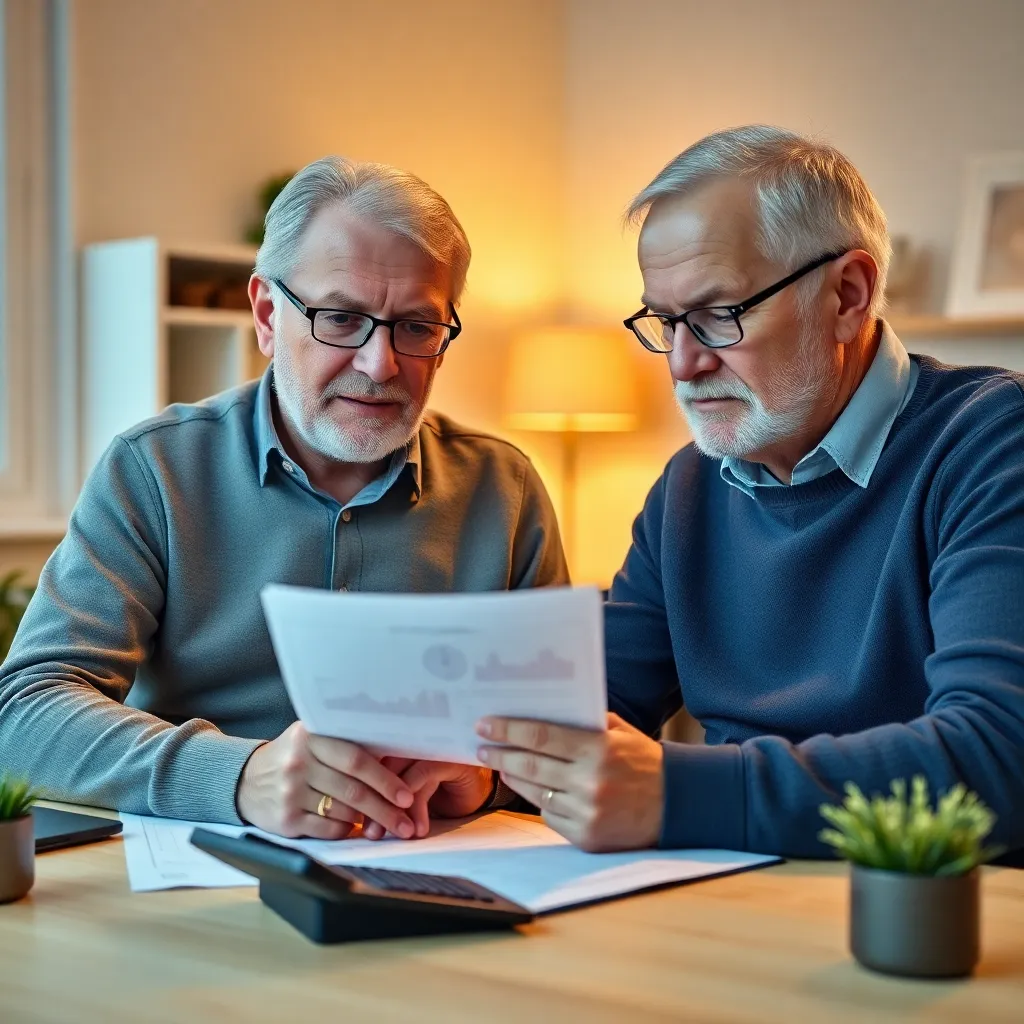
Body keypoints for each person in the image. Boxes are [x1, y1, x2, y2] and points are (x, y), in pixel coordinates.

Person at [478, 126, 1024, 858]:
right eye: (666, 322)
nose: (681, 363)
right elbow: (588, 710)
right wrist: (475, 771)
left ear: (848, 295)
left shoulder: (992, 443)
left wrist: (680, 792)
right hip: (723, 896)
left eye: (717, 315)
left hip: (926, 914)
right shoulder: (688, 486)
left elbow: (998, 757)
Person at [0, 156, 567, 841]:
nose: (378, 364)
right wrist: (240, 776)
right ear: (268, 315)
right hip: (199, 888)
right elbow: (25, 714)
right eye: (340, 318)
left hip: (443, 874)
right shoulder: (154, 469)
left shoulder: (504, 490)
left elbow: (564, 740)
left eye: (416, 326)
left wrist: (486, 777)